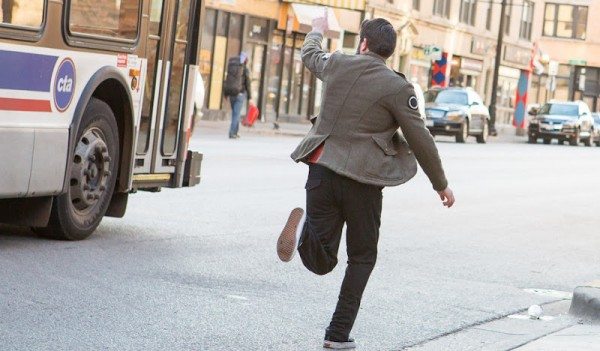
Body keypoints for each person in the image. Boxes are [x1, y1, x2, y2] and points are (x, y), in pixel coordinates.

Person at [275, 15, 455, 350]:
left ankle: (302, 234)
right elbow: (420, 138)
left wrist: (316, 30)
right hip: (362, 183)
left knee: (322, 257)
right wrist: (440, 183)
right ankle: (337, 334)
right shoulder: (398, 87)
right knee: (361, 257)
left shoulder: (338, 64)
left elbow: (310, 55)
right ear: (389, 51)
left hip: (321, 170)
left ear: (363, 43)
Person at [223, 52, 251, 139]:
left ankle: (235, 132)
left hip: (231, 94)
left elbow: (227, 80)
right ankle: (232, 133)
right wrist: (250, 97)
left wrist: (226, 93)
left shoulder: (231, 67)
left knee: (235, 114)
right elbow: (248, 83)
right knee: (236, 114)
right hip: (240, 94)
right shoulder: (244, 68)